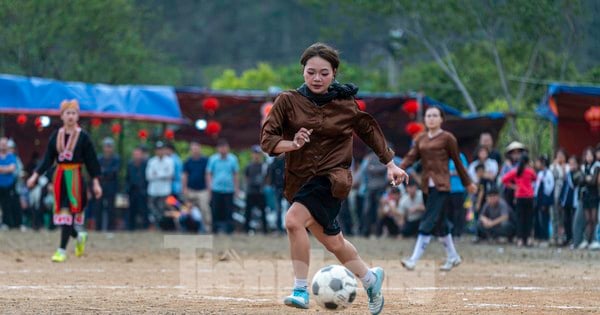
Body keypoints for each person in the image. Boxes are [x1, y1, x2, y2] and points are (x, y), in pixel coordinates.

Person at [260, 43, 407, 314]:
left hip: (333, 179)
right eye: (311, 72)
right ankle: (371, 280)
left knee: (293, 221)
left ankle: (300, 290)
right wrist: (292, 144)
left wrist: (390, 164)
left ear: (334, 73)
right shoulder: (287, 101)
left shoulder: (345, 104)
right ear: (302, 71)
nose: (317, 78)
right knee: (333, 242)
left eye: (324, 73)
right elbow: (267, 140)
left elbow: (369, 130)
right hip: (299, 181)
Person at [399, 106, 476, 272]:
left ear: (441, 119)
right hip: (427, 186)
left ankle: (413, 259)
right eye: (428, 116)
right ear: (425, 119)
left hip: (442, 186)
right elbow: (411, 157)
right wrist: (399, 168)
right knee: (440, 224)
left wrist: (467, 182)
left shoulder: (448, 138)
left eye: (435, 116)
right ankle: (453, 256)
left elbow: (457, 162)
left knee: (427, 221)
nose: (431, 118)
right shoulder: (421, 139)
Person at [26, 99, 102, 262]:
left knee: (69, 214)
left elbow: (91, 161)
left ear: (78, 116)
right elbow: (47, 159)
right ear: (62, 116)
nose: (70, 116)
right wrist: (35, 176)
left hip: (75, 178)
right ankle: (79, 235)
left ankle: (61, 250)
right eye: (67, 113)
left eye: (74, 113)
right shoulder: (56, 136)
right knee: (62, 216)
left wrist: (95, 182)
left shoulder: (84, 137)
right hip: (60, 177)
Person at [502, 154, 536, 247]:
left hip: (519, 197)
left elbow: (504, 179)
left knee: (520, 218)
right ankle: (528, 239)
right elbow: (535, 178)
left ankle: (520, 239)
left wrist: (514, 186)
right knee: (529, 218)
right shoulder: (530, 171)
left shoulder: (515, 172)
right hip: (529, 197)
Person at [206, 139, 239, 235]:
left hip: (229, 189)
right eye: (221, 147)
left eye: (224, 147)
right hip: (216, 189)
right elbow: (208, 174)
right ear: (218, 149)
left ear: (228, 148)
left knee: (229, 211)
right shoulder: (213, 159)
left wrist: (236, 188)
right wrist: (209, 187)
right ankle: (215, 230)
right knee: (215, 210)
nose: (223, 149)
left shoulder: (233, 159)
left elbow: (235, 174)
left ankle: (229, 230)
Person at [182, 141, 210, 232]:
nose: (195, 150)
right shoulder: (187, 161)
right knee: (186, 209)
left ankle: (206, 227)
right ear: (191, 150)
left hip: (203, 190)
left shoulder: (205, 161)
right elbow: (185, 175)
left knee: (204, 208)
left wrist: (209, 189)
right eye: (193, 149)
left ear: (200, 149)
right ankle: (186, 226)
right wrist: (184, 188)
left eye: (196, 148)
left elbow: (208, 175)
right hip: (190, 190)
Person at [146, 141, 174, 228]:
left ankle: (164, 226)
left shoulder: (169, 161)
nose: (160, 151)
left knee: (164, 209)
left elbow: (170, 175)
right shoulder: (151, 161)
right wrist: (163, 174)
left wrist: (157, 174)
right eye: (158, 150)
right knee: (152, 209)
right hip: (153, 190)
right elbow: (149, 176)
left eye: (161, 149)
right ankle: (155, 226)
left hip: (165, 190)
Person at [95, 137, 120, 231]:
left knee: (111, 208)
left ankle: (110, 228)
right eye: (106, 146)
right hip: (100, 185)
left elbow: (114, 171)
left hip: (111, 186)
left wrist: (104, 171)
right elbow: (96, 171)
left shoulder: (116, 158)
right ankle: (98, 227)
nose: (108, 149)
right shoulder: (99, 158)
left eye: (110, 146)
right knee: (98, 207)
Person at [243, 145, 268, 234]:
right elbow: (246, 178)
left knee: (263, 212)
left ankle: (265, 230)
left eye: (258, 154)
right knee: (248, 212)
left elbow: (266, 178)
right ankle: (246, 230)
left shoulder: (264, 166)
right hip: (250, 192)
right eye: (255, 153)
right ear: (252, 154)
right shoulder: (248, 166)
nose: (256, 155)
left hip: (260, 192)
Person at [578, 147, 599, 249]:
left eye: (590, 155)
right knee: (588, 220)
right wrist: (587, 178)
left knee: (594, 219)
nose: (589, 157)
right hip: (586, 196)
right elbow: (581, 182)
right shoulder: (583, 167)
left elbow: (594, 181)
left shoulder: (596, 166)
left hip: (594, 195)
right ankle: (587, 240)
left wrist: (587, 179)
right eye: (587, 155)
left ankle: (594, 240)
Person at [560, 155, 582, 246]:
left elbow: (573, 184)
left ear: (577, 164)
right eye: (570, 163)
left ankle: (574, 238)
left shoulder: (579, 173)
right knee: (566, 220)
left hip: (574, 201)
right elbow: (564, 187)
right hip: (566, 201)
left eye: (574, 163)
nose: (572, 165)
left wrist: (567, 173)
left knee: (574, 220)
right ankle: (568, 237)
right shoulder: (568, 173)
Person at [125, 146, 148, 230]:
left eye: (138, 154)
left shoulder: (146, 164)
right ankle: (131, 227)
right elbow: (127, 177)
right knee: (131, 210)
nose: (137, 156)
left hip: (142, 190)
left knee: (143, 210)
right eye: (135, 154)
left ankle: (145, 227)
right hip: (132, 190)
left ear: (142, 155)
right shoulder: (130, 164)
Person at [0, 137, 21, 229]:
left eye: (5, 144)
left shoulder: (11, 156)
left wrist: (1, 169)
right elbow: (9, 168)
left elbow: (12, 168)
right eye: (2, 144)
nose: (3, 146)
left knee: (8, 205)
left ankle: (8, 223)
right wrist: (6, 168)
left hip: (9, 185)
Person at [534, 155, 554, 246]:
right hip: (538, 198)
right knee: (538, 218)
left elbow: (550, 188)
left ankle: (545, 238)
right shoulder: (539, 173)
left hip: (545, 199)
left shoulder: (548, 173)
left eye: (538, 162)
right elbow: (536, 187)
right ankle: (539, 237)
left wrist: (545, 201)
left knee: (545, 218)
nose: (536, 164)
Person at [550, 149, 569, 245]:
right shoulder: (553, 167)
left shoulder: (568, 167)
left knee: (562, 218)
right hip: (554, 195)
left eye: (562, 155)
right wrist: (554, 166)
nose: (560, 157)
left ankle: (562, 237)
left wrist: (564, 169)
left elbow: (567, 179)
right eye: (558, 155)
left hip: (564, 196)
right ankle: (554, 236)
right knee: (554, 217)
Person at [447, 152, 468, 237]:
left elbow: (464, 170)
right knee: (448, 211)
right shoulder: (445, 156)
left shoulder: (461, 156)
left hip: (459, 188)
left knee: (458, 211)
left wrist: (451, 173)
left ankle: (458, 232)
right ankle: (450, 232)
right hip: (447, 188)